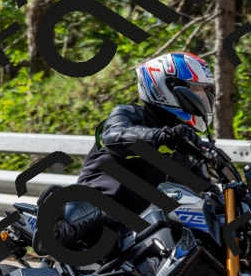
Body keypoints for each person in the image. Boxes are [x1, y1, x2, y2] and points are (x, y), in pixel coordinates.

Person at [32, 52, 217, 255]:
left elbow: (206, 189)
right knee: (97, 206)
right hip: (107, 205)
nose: (201, 97)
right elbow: (114, 137)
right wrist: (162, 137)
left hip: (145, 226)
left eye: (205, 91)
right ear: (167, 87)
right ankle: (55, 229)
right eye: (195, 89)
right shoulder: (131, 114)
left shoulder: (187, 143)